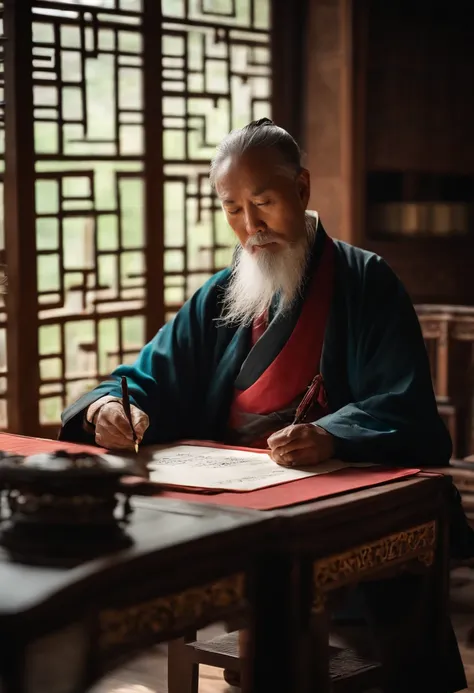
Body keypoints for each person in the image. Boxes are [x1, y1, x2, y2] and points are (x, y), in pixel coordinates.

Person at [60, 118, 468, 692]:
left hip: (331, 501)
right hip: (237, 499)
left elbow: (405, 407)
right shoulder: (223, 293)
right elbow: (148, 377)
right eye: (232, 209)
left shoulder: (366, 282)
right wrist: (107, 407)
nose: (249, 227)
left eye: (264, 203)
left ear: (301, 190)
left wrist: (332, 434)